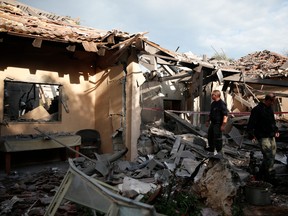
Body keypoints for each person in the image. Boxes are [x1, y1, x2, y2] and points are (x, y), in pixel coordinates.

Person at [247, 93, 279, 182]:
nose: (273, 103)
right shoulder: (257, 110)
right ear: (268, 100)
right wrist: (251, 135)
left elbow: (272, 122)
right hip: (262, 136)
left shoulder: (269, 109)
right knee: (268, 156)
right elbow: (251, 123)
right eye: (272, 101)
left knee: (271, 156)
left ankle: (260, 175)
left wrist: (276, 130)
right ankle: (270, 177)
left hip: (271, 135)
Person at [205, 90, 228, 155]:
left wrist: (223, 125)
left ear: (216, 95)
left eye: (213, 95)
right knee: (210, 135)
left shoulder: (222, 104)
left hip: (218, 124)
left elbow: (225, 116)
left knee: (217, 137)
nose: (212, 96)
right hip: (213, 123)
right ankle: (211, 148)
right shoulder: (213, 104)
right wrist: (207, 121)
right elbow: (211, 113)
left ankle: (218, 150)